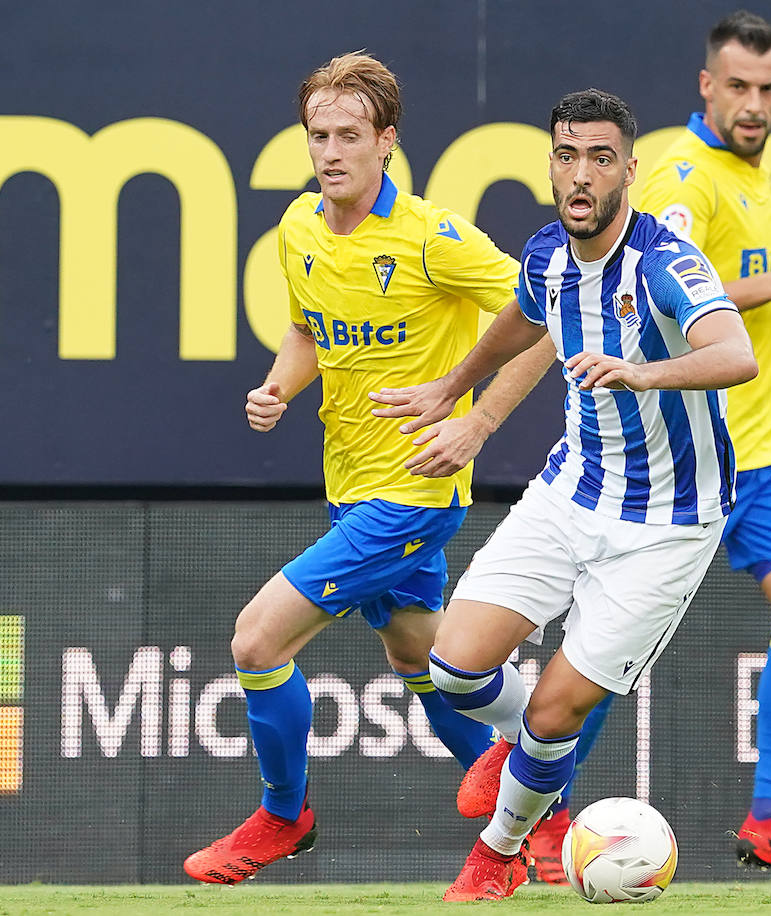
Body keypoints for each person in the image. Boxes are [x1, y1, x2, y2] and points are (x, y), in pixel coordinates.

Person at [369, 88, 757, 902]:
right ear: (551, 163)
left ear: (629, 170)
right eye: (567, 155)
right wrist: (454, 388)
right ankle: (522, 753)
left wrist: (645, 369)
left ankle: (500, 848)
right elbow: (523, 313)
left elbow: (735, 353)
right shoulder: (548, 252)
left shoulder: (666, 260)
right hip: (572, 491)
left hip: (669, 524)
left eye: (601, 158)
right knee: (453, 666)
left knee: (554, 715)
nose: (582, 175)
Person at [181, 51, 556, 885]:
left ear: (386, 141)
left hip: (415, 490)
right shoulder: (299, 229)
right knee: (419, 655)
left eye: (349, 135)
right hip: (349, 487)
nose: (329, 152)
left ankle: (284, 817)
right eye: (317, 135)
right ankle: (540, 806)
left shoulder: (434, 237)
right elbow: (312, 332)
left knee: (256, 640)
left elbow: (552, 312)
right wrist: (279, 386)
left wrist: (479, 422)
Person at [629, 10, 771, 884]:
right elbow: (648, 289)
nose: (753, 104)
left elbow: (715, 309)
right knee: (616, 647)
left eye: (767, 90)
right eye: (738, 88)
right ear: (706, 86)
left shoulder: (755, 179)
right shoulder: (684, 172)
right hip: (686, 454)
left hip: (767, 445)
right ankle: (537, 818)